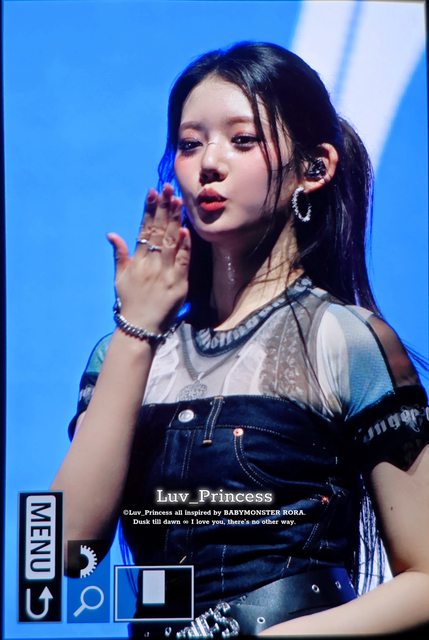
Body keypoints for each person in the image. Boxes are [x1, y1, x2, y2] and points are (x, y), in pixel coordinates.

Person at [52, 42, 429, 637]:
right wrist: (136, 331)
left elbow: (426, 577)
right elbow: (58, 558)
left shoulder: (346, 339)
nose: (209, 163)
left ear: (315, 168)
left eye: (242, 140)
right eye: (189, 144)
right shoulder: (125, 352)